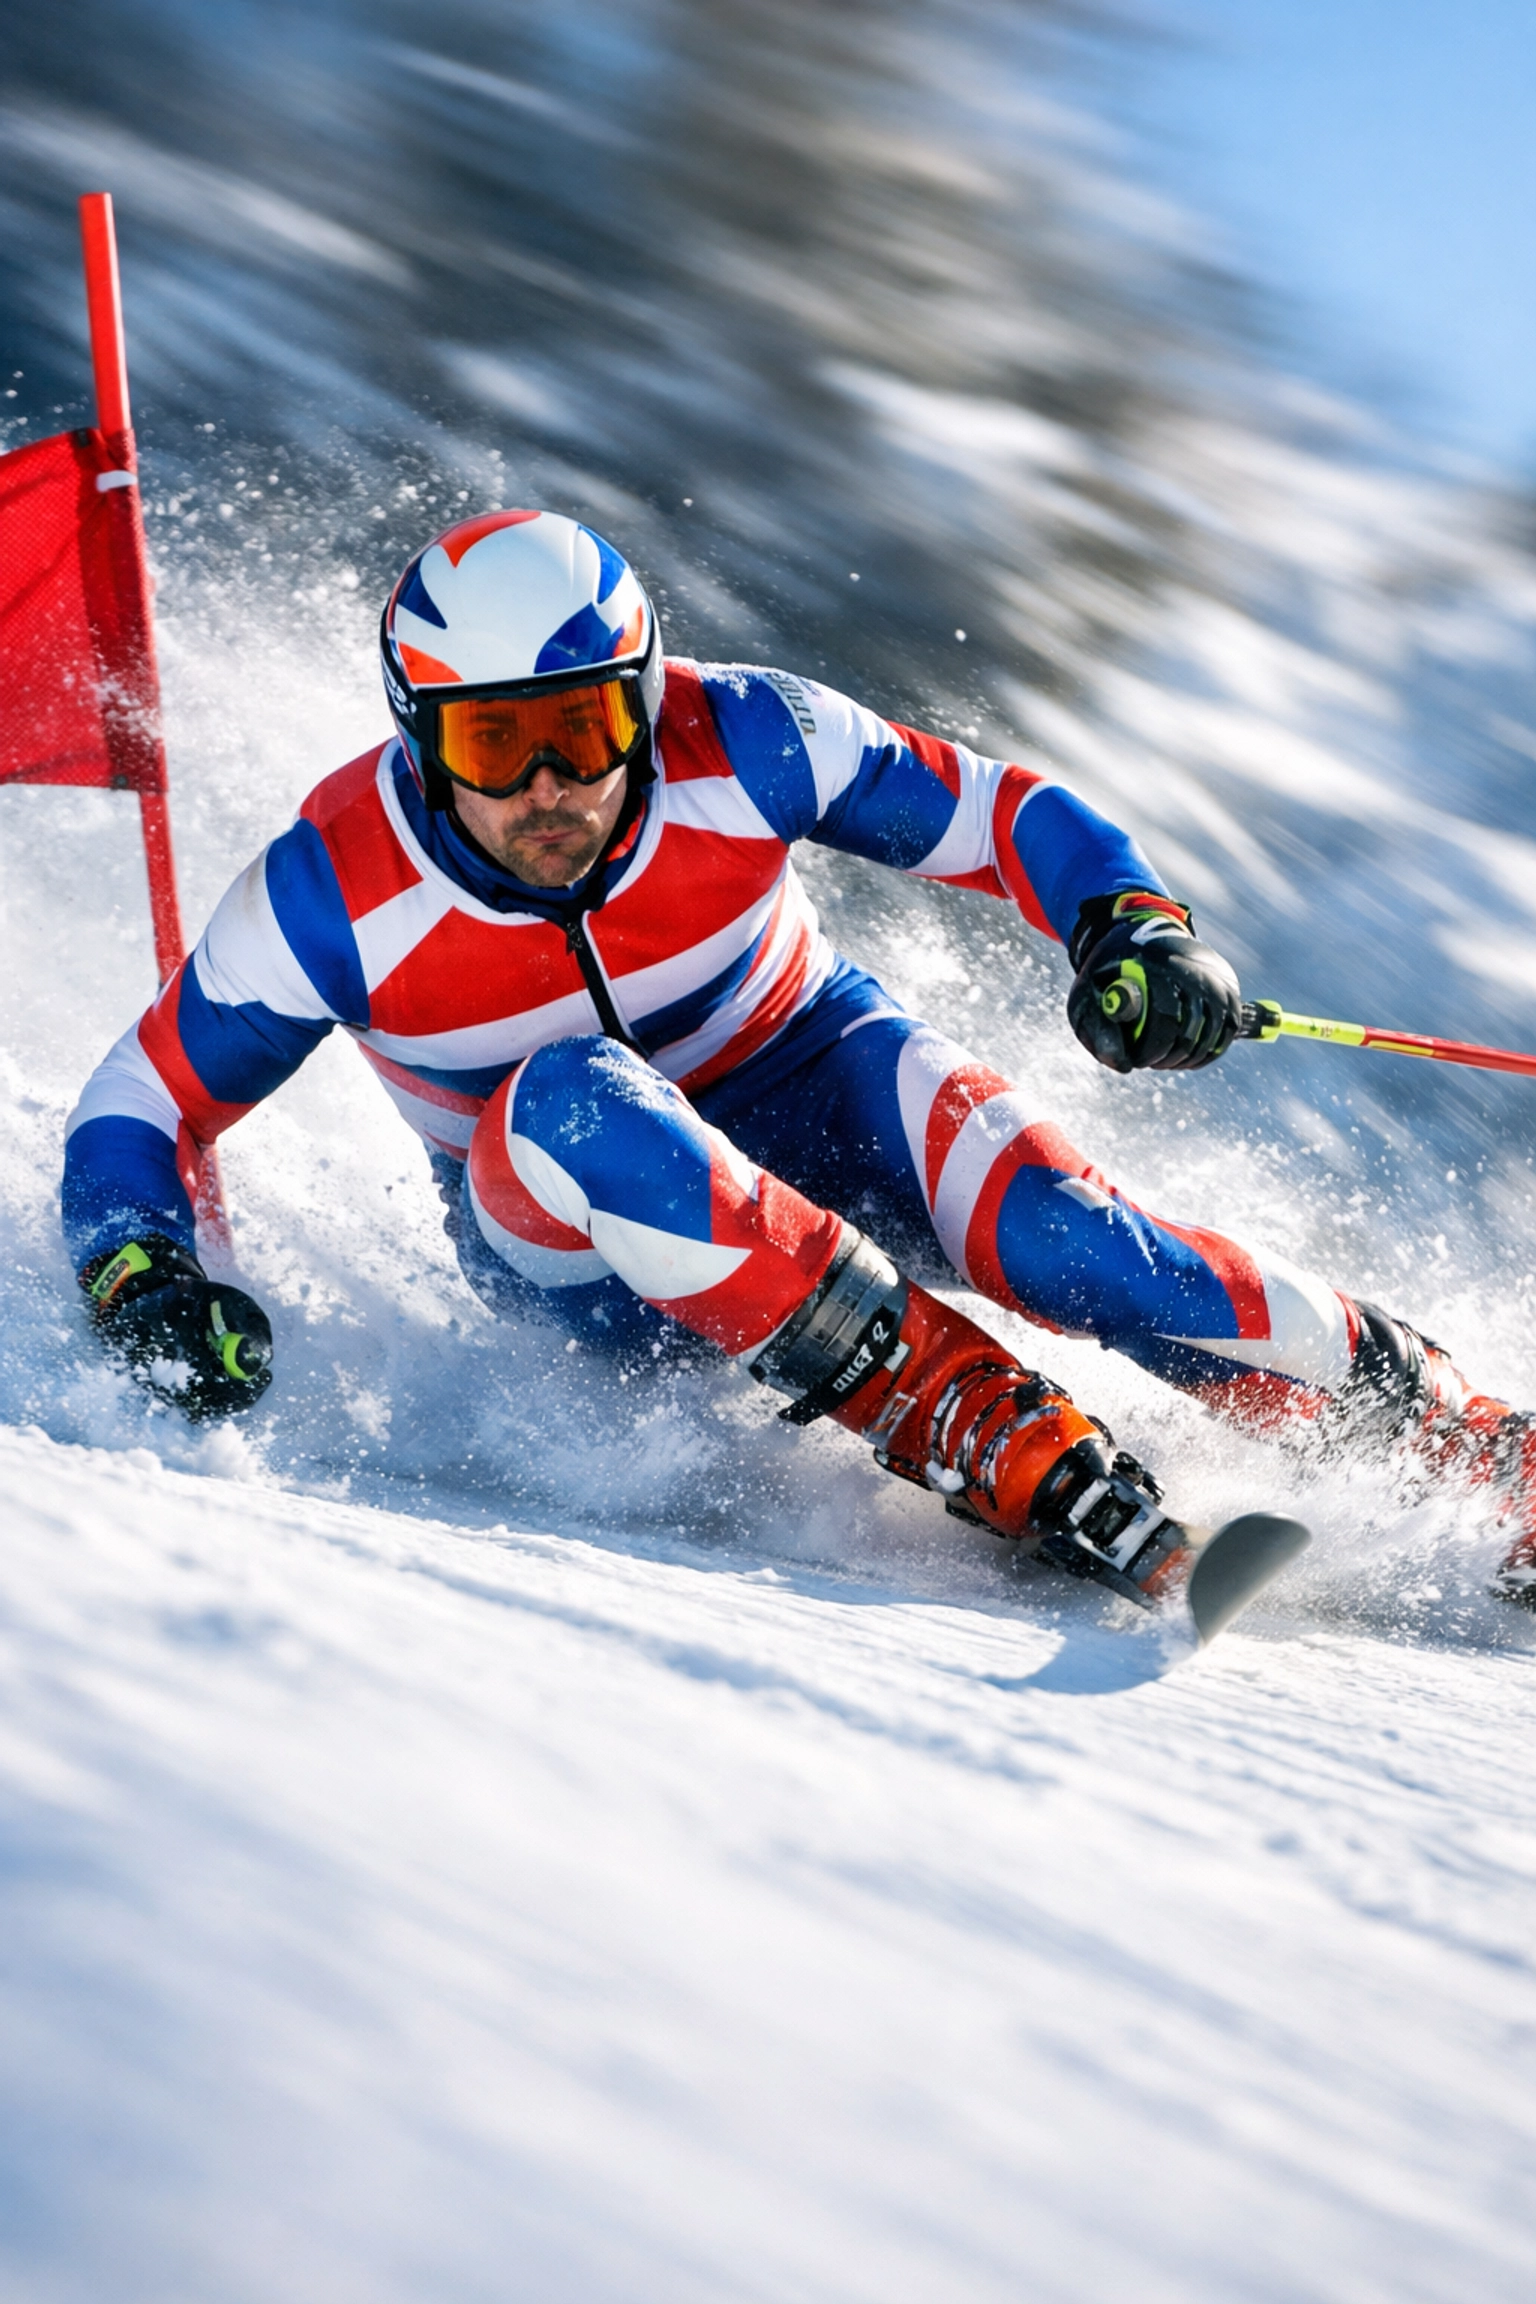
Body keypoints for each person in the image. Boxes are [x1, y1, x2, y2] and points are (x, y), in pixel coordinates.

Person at [62, 509, 1536, 1607]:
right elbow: (139, 1108)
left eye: (584, 727)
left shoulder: (746, 735)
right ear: (420, 740)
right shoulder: (334, 890)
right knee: (575, 1090)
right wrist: (148, 1276)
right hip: (581, 1239)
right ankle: (962, 1411)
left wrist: (1133, 930)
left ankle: (1478, 1459)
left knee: (1082, 1250)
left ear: (642, 697)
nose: (553, 788)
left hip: (819, 1079)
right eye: (494, 748)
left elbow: (1001, 815)